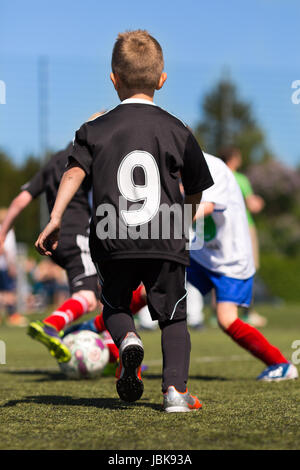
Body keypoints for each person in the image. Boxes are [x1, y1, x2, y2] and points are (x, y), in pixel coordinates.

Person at [35, 29, 214, 412]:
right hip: (166, 234)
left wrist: (55, 217)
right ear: (162, 80)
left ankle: (128, 339)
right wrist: (186, 217)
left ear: (113, 79)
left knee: (115, 306)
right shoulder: (178, 129)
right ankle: (174, 394)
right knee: (174, 316)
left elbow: (73, 174)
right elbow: (197, 185)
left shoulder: (93, 130)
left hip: (110, 234)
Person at [187, 152, 298, 381]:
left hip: (229, 257)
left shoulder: (212, 166)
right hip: (200, 250)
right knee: (155, 286)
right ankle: (99, 331)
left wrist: (164, 221)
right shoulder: (171, 166)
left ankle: (281, 364)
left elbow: (205, 207)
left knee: (227, 319)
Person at [0, 143, 100, 362]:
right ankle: (52, 324)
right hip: (77, 238)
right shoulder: (92, 157)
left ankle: (112, 353)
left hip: (52, 240)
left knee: (107, 293)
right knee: (89, 297)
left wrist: (3, 234)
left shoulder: (53, 161)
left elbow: (20, 200)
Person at [219, 146, 266, 327]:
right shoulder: (239, 179)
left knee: (220, 267)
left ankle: (219, 312)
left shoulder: (216, 175)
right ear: (234, 159)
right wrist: (260, 202)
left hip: (221, 227)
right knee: (249, 267)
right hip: (243, 228)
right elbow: (252, 205)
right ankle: (247, 313)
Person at [0, 209, 27, 326]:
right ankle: (12, 315)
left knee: (7, 291)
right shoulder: (4, 230)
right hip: (4, 266)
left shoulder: (8, 230)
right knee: (9, 292)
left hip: (5, 265)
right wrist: (11, 265)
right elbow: (3, 248)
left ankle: (10, 315)